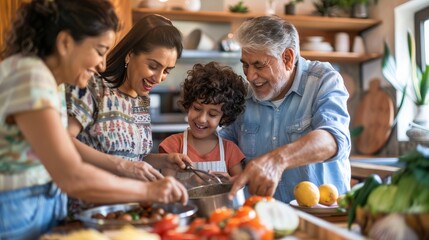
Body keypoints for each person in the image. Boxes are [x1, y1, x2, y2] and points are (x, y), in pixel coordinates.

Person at [0, 1, 187, 239]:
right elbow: (72, 176)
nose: (102, 64)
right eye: (100, 50)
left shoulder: (46, 81)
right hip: (17, 213)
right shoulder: (30, 77)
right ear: (66, 43)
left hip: (38, 209)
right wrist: (148, 190)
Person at [65, 14, 192, 214]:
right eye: (153, 66)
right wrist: (121, 166)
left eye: (167, 70)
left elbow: (134, 158)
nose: (158, 78)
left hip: (128, 211)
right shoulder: (93, 87)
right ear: (130, 55)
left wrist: (163, 160)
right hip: (88, 212)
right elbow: (64, 141)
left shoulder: (140, 100)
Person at [221, 15, 351, 203]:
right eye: (245, 65)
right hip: (263, 219)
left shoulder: (323, 80)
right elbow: (223, 145)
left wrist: (277, 160)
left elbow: (333, 140)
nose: (250, 75)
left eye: (259, 65)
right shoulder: (244, 97)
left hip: (323, 217)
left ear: (288, 58)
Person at [158, 62, 247, 184]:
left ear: (224, 116)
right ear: (188, 105)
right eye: (197, 108)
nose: (201, 119)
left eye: (212, 114)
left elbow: (241, 186)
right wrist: (189, 183)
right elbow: (166, 187)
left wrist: (229, 181)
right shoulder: (172, 146)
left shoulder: (230, 150)